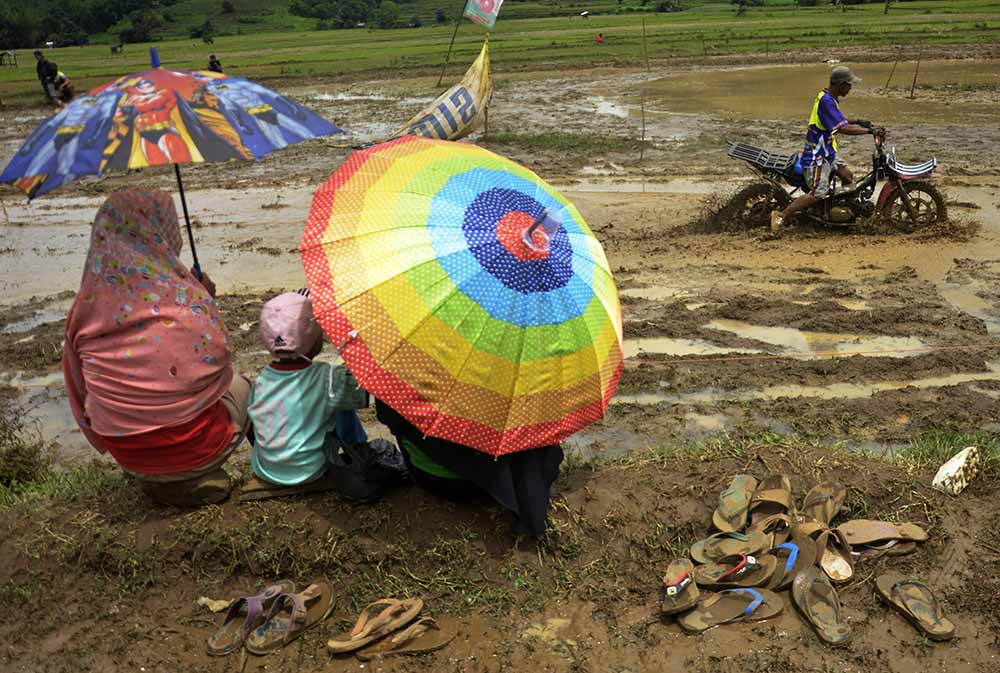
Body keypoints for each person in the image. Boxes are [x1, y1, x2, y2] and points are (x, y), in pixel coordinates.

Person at [63, 189, 251, 506]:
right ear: (164, 231)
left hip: (129, 456)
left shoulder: (86, 306)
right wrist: (205, 302)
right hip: (198, 447)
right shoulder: (187, 299)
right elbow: (219, 362)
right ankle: (258, 469)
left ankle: (161, 479)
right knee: (247, 387)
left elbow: (78, 388)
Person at [376, 400, 564, 537]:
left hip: (429, 479)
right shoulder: (507, 383)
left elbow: (390, 419)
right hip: (490, 486)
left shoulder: (403, 371)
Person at [247, 291, 369, 490]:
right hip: (311, 470)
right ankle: (357, 446)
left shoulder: (262, 378)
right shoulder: (325, 376)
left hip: (266, 470)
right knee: (342, 405)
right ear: (314, 339)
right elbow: (356, 397)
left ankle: (275, 458)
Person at [770, 66, 877, 234]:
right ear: (841, 84)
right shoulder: (826, 101)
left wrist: (859, 121)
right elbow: (843, 128)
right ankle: (781, 216)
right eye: (849, 85)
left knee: (848, 177)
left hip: (828, 153)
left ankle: (839, 211)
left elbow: (839, 118)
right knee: (818, 193)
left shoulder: (828, 97)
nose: (851, 88)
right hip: (817, 157)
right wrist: (869, 131)